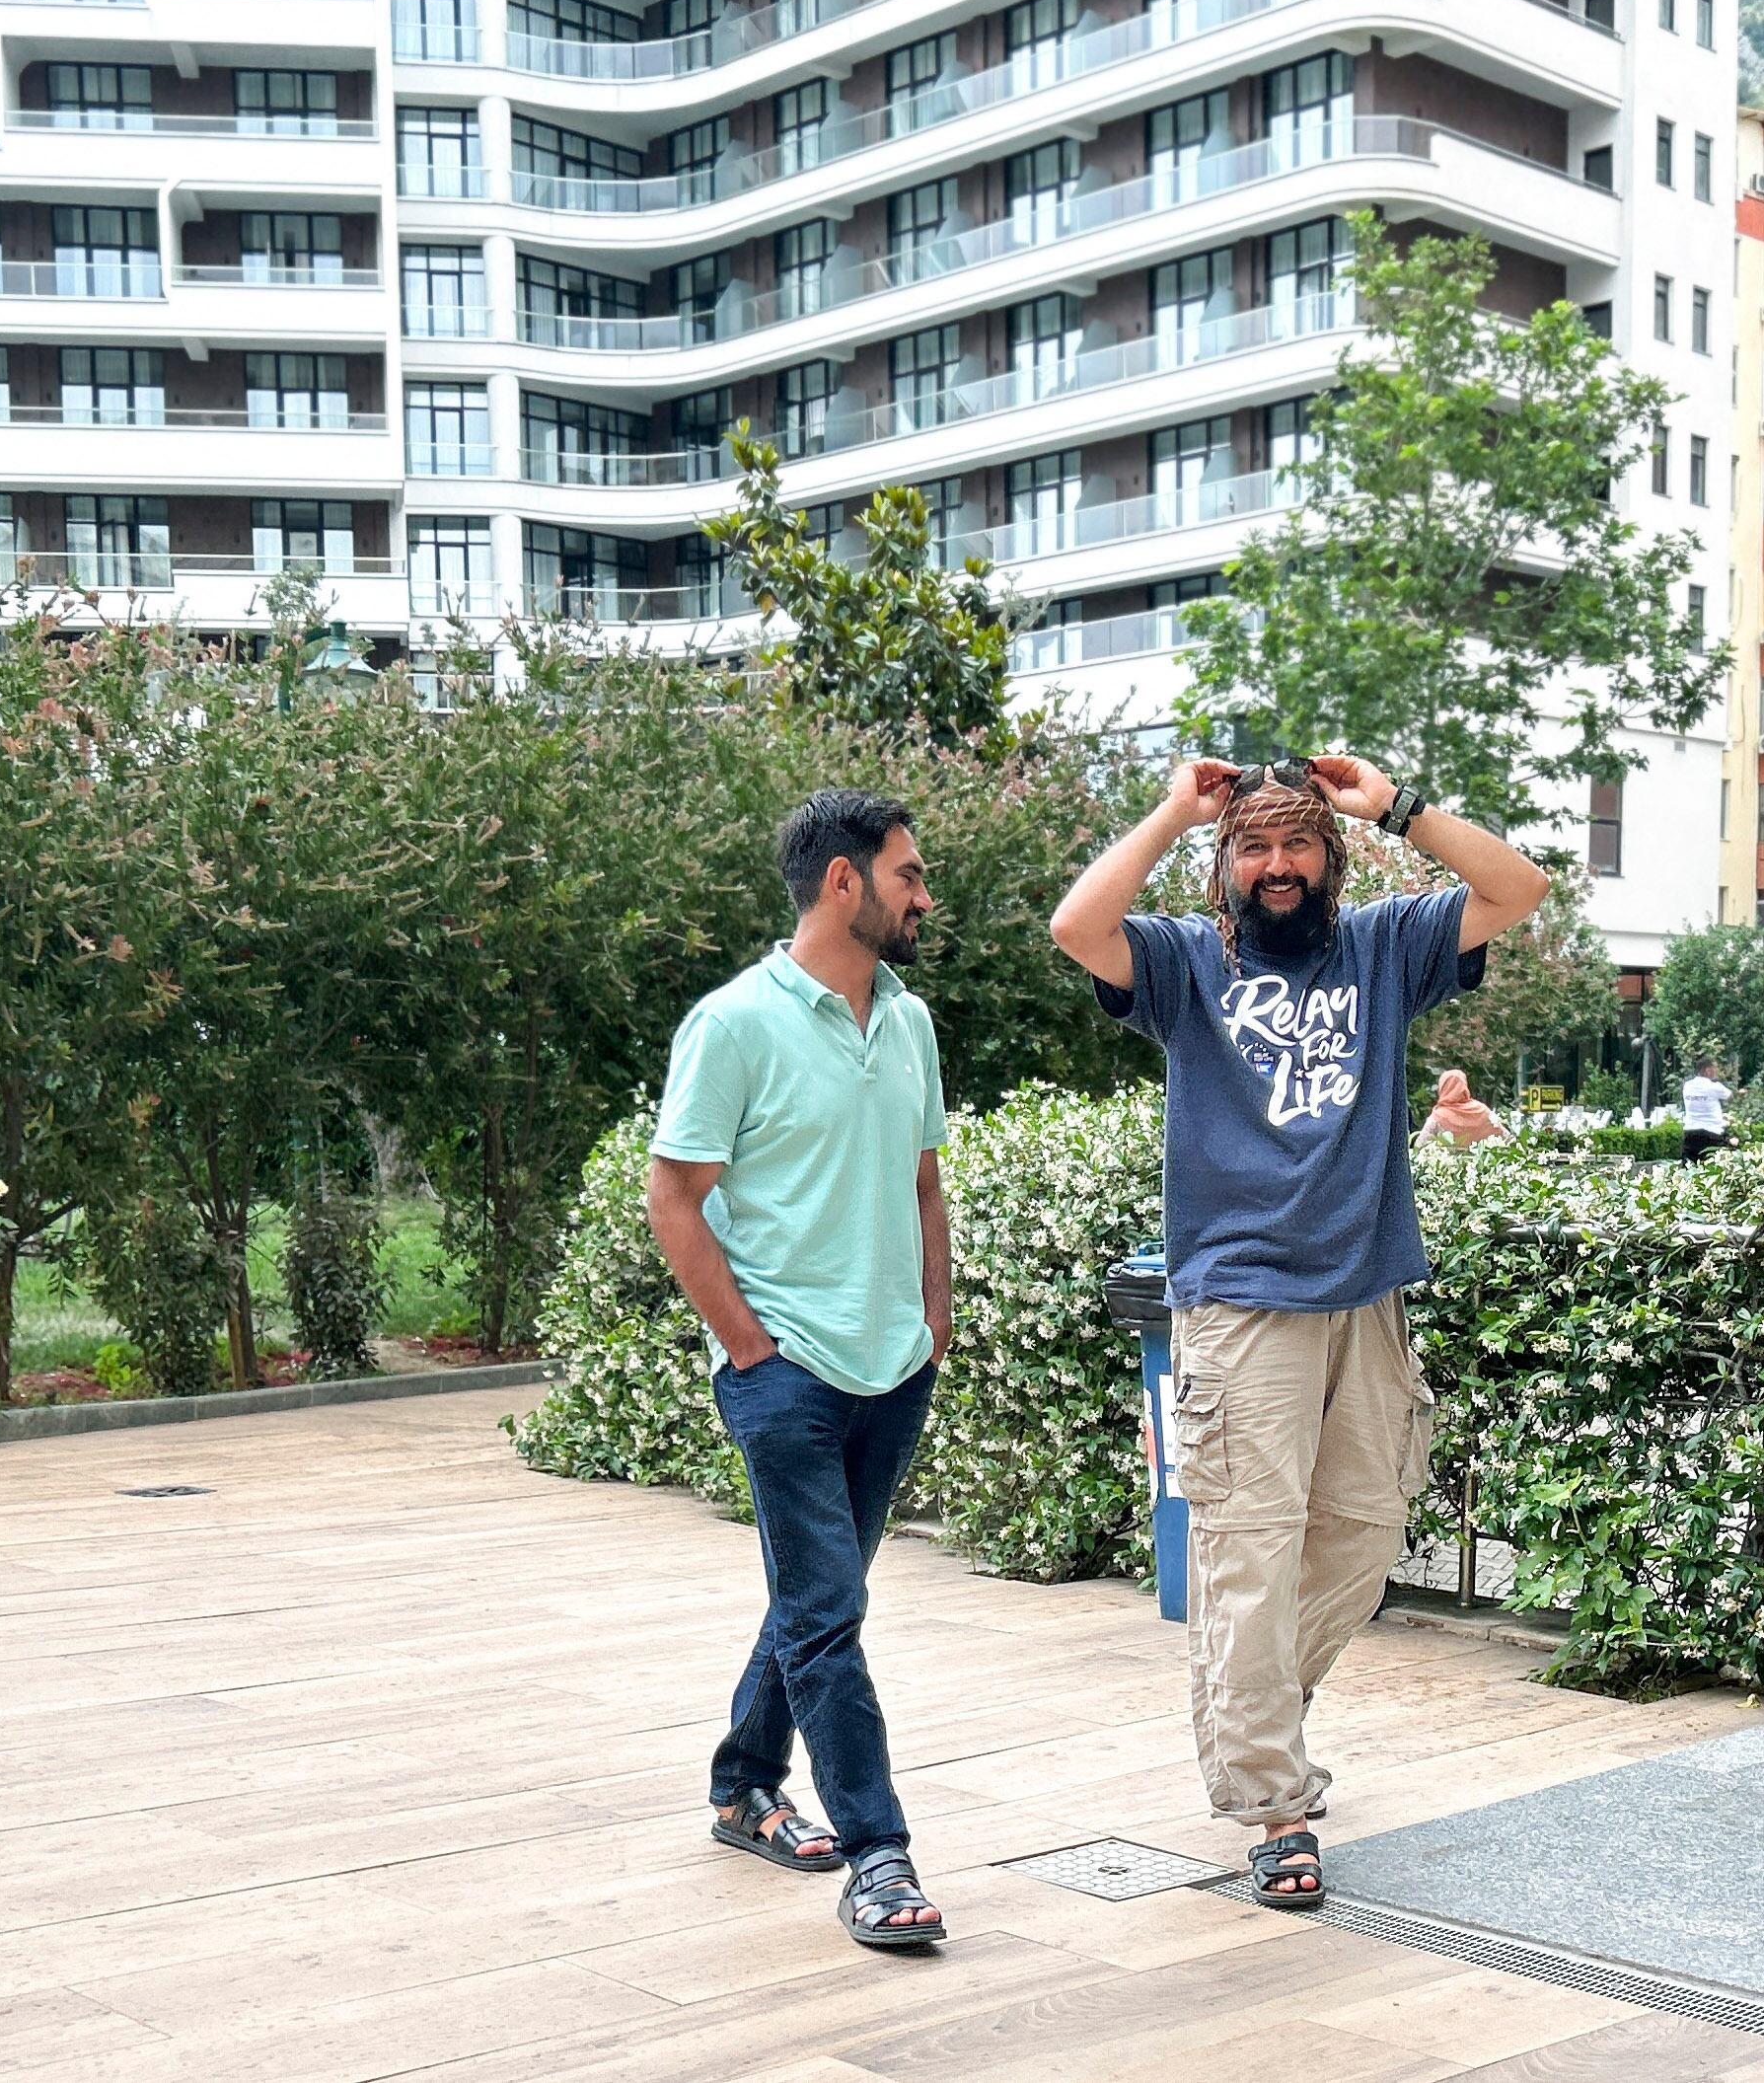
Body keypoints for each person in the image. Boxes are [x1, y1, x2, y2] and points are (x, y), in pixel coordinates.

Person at [1050, 754, 1548, 1910]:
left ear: (1330, 855)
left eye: (1299, 845)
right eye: (1254, 848)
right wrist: (1177, 809)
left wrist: (1399, 808)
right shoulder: (1182, 958)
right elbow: (1078, 924)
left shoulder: (1381, 946)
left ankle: (1256, 1704)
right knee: (1247, 1550)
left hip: (1365, 1290)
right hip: (1236, 1301)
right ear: (1225, 864)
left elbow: (1515, 889)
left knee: (1362, 1535)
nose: (1277, 867)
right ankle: (1274, 1803)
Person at [645, 788, 952, 1954]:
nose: (922, 896)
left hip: (893, 1363)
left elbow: (922, 1177)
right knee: (827, 1611)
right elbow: (674, 1199)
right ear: (843, 881)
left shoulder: (908, 1020)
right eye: (908, 875)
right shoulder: (732, 1025)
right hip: (789, 1373)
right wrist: (749, 1351)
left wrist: (933, 1313)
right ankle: (880, 1855)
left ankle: (741, 1782)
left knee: (821, 1600)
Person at [1418, 1067, 1507, 1149]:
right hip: (1483, 1164)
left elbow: (1419, 1146)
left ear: (1442, 1088)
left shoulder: (1438, 1117)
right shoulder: (1483, 1111)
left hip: (1448, 1165)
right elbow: (1508, 1139)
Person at [1679, 1055, 1733, 1162]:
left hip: (1690, 1134)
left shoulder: (1687, 1086)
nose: (1717, 1070)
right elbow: (1730, 1096)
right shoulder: (1714, 1087)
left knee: (1689, 1169)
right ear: (1708, 1070)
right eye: (1715, 1067)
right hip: (1711, 1135)